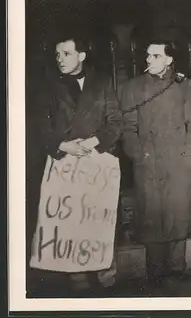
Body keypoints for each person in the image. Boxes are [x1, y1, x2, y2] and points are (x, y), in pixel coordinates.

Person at [36, 31, 122, 295]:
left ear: (82, 56)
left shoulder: (103, 82)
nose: (60, 59)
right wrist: (63, 146)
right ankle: (77, 286)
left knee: (98, 223)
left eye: (67, 53)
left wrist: (94, 142)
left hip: (95, 166)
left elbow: (115, 122)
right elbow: (39, 125)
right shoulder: (48, 86)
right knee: (69, 225)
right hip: (64, 166)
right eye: (58, 55)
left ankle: (107, 283)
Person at [119, 35, 191, 288]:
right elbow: (127, 127)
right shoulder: (133, 88)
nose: (149, 59)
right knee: (152, 214)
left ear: (169, 59)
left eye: (155, 55)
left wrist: (188, 149)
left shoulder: (182, 85)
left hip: (178, 160)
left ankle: (177, 268)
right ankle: (155, 272)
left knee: (178, 212)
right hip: (149, 159)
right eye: (147, 55)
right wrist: (139, 154)